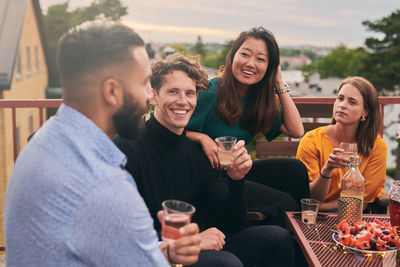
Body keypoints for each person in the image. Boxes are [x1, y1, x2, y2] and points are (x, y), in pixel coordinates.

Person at [4, 21, 201, 266]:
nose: (148, 95)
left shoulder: (45, 141)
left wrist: (166, 252)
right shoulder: (104, 187)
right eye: (143, 84)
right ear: (112, 92)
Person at [115, 54, 296, 267]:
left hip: (196, 246)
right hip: (153, 255)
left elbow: (232, 224)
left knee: (277, 238)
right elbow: (117, 229)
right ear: (154, 96)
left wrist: (236, 179)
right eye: (173, 92)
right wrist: (188, 242)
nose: (183, 101)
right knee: (226, 263)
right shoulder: (127, 147)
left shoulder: (195, 153)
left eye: (189, 93)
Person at [185, 27, 310, 226]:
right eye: (244, 54)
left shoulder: (259, 100)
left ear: (270, 66)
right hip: (207, 178)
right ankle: (287, 248)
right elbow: (175, 130)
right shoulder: (210, 93)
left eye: (261, 59)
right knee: (284, 203)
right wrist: (202, 138)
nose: (250, 64)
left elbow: (296, 131)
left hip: (235, 172)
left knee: (295, 170)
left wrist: (279, 82)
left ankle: (306, 236)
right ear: (232, 56)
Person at [296, 76, 387, 211]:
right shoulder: (312, 140)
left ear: (365, 112)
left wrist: (320, 208)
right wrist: (327, 170)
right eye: (340, 98)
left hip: (354, 216)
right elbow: (309, 195)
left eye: (352, 102)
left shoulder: (376, 146)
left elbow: (363, 200)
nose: (342, 105)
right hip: (314, 218)